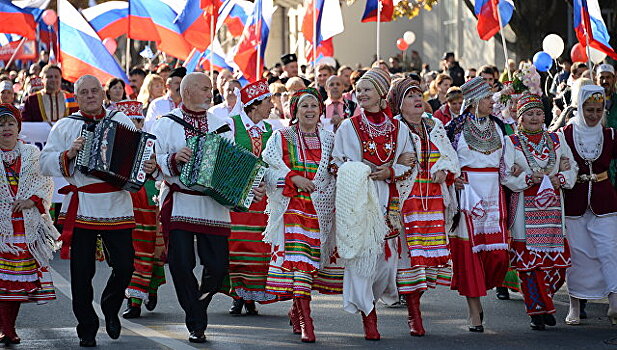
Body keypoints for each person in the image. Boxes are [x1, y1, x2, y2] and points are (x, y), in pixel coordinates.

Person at [40, 75, 157, 347]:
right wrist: (68, 154)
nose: (90, 96)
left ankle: (110, 305)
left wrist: (148, 165)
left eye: (95, 91)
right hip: (83, 206)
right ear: (77, 97)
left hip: (117, 204)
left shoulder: (121, 121)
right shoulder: (66, 126)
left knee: (126, 266)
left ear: (102, 94)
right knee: (82, 273)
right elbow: (44, 163)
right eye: (84, 92)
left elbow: (140, 157)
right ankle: (87, 328)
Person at [151, 72, 264, 343]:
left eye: (210, 88)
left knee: (217, 267)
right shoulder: (165, 124)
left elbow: (236, 163)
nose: (209, 93)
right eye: (204, 88)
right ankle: (196, 321)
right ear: (187, 91)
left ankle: (197, 305)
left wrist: (249, 186)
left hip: (213, 204)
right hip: (179, 201)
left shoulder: (221, 124)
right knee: (180, 264)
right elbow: (152, 164)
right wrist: (173, 158)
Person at [332, 68, 416, 341]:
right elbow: (337, 161)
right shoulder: (349, 126)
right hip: (360, 201)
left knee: (384, 266)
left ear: (381, 94)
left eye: (367, 89)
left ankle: (374, 299)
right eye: (358, 91)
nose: (362, 94)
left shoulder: (398, 128)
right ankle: (369, 316)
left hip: (387, 201)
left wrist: (389, 172)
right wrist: (362, 169)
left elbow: (409, 161)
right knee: (362, 261)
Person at [262, 88, 338, 342]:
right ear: (295, 110)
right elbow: (268, 169)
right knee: (300, 263)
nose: (309, 110)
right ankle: (307, 321)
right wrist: (293, 177)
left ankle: (296, 311)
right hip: (292, 208)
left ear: (320, 110)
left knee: (311, 264)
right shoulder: (281, 136)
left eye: (314, 106)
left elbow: (334, 171)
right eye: (304, 105)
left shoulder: (329, 139)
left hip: (320, 209)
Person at [388, 79, 460, 336]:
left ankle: (416, 307)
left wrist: (444, 169)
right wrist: (398, 160)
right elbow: (384, 160)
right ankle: (414, 315)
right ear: (399, 103)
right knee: (409, 259)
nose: (417, 99)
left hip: (433, 201)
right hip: (407, 202)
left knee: (427, 262)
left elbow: (449, 155)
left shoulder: (434, 124)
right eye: (410, 96)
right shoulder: (394, 127)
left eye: (419, 94)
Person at [501, 93, 577, 330]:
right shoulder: (511, 142)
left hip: (553, 210)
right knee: (529, 265)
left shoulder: (557, 139)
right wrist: (526, 178)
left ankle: (545, 300)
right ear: (520, 118)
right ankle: (537, 311)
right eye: (529, 114)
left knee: (557, 265)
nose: (535, 118)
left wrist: (561, 178)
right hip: (525, 208)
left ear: (545, 116)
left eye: (538, 113)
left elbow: (572, 167)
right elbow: (505, 174)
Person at [444, 77, 509, 333]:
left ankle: (485, 287)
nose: (491, 101)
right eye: (486, 98)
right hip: (468, 194)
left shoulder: (501, 127)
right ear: (472, 101)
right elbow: (444, 159)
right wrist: (453, 177)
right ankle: (474, 311)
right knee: (470, 254)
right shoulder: (455, 127)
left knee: (499, 255)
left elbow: (509, 156)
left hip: (494, 192)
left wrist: (512, 168)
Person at [0, 104, 59, 345]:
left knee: (13, 284)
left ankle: (8, 327)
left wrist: (30, 200)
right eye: (1, 125)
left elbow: (45, 183)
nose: (6, 128)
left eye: (10, 124)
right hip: (3, 231)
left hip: (22, 230)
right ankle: (6, 328)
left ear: (18, 127)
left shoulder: (32, 154)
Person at [561, 85, 617, 326]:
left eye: (598, 109)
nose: (594, 114)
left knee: (609, 250)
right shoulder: (565, 133)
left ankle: (615, 303)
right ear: (580, 107)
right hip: (574, 201)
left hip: (605, 201)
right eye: (589, 109)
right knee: (578, 254)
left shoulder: (610, 135)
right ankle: (574, 304)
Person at [225, 80, 276, 315]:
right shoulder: (231, 125)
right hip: (238, 197)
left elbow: (275, 163)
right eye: (268, 101)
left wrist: (268, 183)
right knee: (237, 244)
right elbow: (225, 158)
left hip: (262, 197)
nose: (272, 106)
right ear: (254, 105)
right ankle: (238, 294)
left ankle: (252, 294)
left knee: (259, 246)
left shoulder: (270, 130)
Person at [116, 100, 166, 319]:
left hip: (146, 200)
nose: (133, 126)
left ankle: (136, 299)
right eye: (128, 122)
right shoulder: (111, 143)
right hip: (119, 203)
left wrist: (154, 168)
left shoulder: (151, 143)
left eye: (136, 121)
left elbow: (160, 172)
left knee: (145, 250)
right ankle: (142, 291)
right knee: (125, 253)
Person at [144, 67, 186, 132]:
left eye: (182, 83)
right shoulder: (157, 104)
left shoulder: (189, 104)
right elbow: (148, 127)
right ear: (168, 86)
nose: (180, 86)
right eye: (177, 83)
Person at [596, 64, 617, 186]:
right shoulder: (590, 103)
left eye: (608, 77)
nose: (605, 81)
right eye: (601, 77)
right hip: (600, 160)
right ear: (596, 80)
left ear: (614, 79)